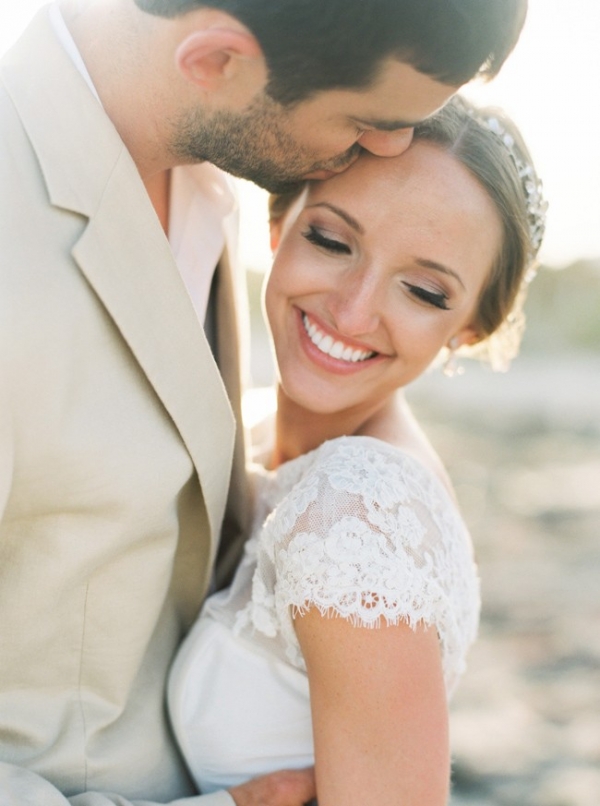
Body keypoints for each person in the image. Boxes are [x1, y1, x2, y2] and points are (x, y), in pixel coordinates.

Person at [0, 0, 528, 803]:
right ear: (218, 62)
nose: (388, 146)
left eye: (423, 288)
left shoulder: (215, 171)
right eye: (368, 119)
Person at [168, 95, 547, 805]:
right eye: (333, 241)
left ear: (465, 332)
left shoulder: (357, 514)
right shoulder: (249, 433)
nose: (351, 310)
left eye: (424, 291)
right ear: (278, 223)